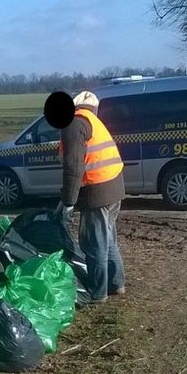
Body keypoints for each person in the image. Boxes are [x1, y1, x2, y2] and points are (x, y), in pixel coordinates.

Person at [56, 90, 125, 303]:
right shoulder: (92, 121)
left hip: (98, 192)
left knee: (95, 243)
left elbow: (74, 166)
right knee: (108, 239)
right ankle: (116, 283)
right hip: (114, 187)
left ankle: (97, 292)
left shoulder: (74, 124)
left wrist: (68, 202)